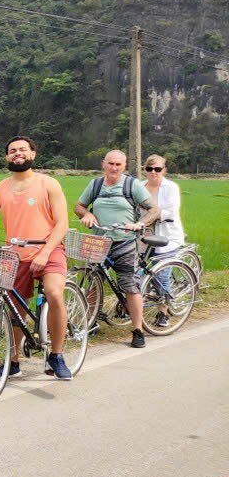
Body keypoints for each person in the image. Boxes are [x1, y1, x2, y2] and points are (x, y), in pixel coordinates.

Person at [0, 136, 73, 380]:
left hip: (49, 249)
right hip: (15, 255)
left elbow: (63, 223)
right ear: (6, 157)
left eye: (23, 150)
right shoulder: (0, 188)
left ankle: (57, 355)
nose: (17, 154)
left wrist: (44, 252)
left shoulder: (48, 184)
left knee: (54, 293)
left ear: (33, 154)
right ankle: (12, 361)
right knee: (14, 309)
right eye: (12, 151)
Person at [74, 149, 159, 348]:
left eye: (118, 165)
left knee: (130, 285)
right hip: (98, 241)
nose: (114, 168)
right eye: (110, 163)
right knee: (92, 281)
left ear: (124, 167)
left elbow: (154, 210)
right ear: (103, 164)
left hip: (125, 241)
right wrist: (86, 215)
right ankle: (90, 322)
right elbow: (79, 206)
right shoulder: (95, 184)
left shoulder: (132, 185)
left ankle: (137, 330)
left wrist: (140, 223)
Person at [140, 154, 185, 325]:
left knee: (161, 274)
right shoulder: (139, 186)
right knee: (138, 271)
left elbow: (170, 211)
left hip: (167, 236)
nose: (153, 172)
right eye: (149, 169)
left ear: (164, 170)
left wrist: (151, 216)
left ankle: (163, 312)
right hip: (145, 236)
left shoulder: (171, 187)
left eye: (157, 169)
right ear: (145, 170)